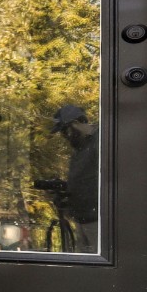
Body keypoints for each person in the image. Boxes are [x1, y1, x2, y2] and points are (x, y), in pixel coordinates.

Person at [36, 105, 99, 249]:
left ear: (76, 123)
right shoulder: (79, 149)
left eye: (65, 131)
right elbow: (85, 180)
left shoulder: (100, 141)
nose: (65, 136)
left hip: (97, 222)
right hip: (81, 220)